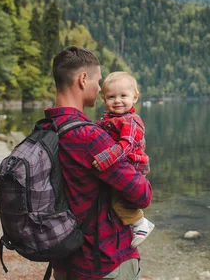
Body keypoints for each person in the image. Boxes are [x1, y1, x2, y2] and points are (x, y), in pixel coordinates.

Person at [45, 46, 152, 280]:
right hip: (103, 261)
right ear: (83, 79)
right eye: (99, 81)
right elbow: (142, 195)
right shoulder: (90, 137)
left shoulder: (47, 128)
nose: (99, 88)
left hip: (63, 259)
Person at [92, 72, 155, 248]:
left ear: (135, 97)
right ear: (104, 98)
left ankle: (140, 223)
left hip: (134, 164)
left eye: (123, 96)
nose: (117, 101)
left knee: (118, 201)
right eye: (111, 97)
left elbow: (126, 145)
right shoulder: (110, 119)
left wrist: (106, 158)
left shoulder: (132, 121)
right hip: (123, 162)